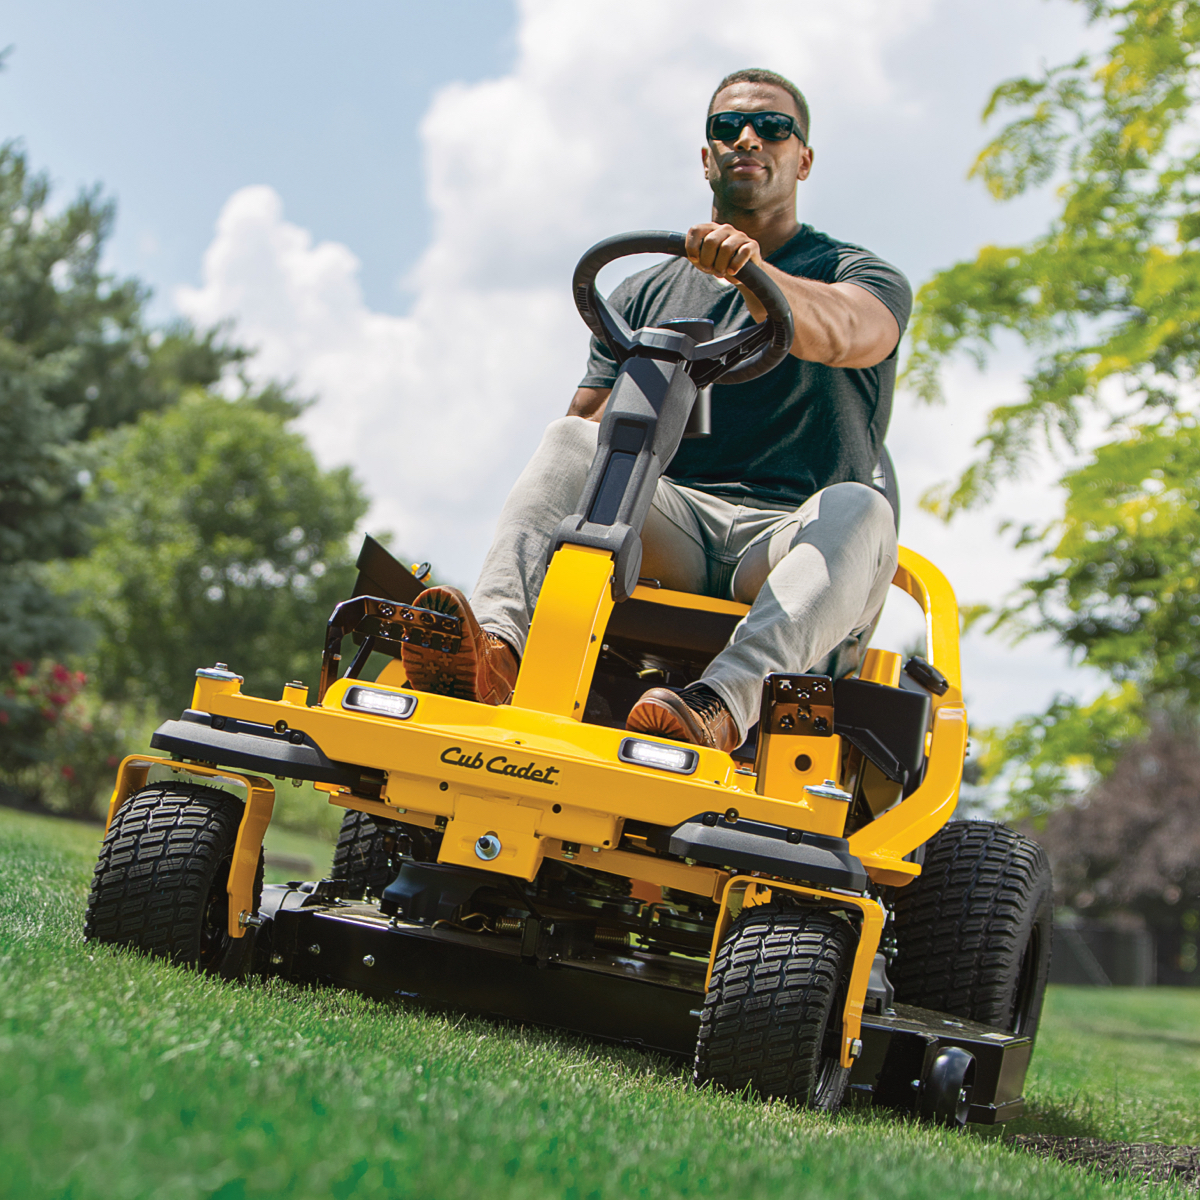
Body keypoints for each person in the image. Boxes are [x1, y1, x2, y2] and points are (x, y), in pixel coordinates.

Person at [401, 67, 910, 754]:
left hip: (790, 540)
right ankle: (495, 653)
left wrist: (753, 277)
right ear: (707, 156)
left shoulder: (858, 274)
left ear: (804, 158)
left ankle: (719, 705)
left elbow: (851, 333)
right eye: (727, 128)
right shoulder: (644, 291)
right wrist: (663, 379)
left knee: (863, 507)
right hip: (670, 525)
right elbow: (591, 434)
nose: (748, 139)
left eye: (773, 127)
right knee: (570, 440)